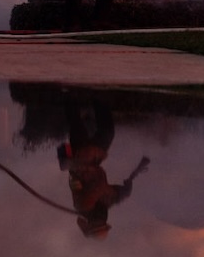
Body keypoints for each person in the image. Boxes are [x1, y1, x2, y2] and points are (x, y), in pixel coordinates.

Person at [58, 102, 149, 239]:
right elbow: (117, 195)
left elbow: (75, 181)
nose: (102, 220)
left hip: (81, 157)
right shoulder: (104, 202)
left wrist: (77, 166)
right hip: (95, 157)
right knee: (107, 131)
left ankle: (69, 96)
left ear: (92, 223)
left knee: (76, 124)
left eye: (99, 223)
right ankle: (99, 99)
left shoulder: (82, 203)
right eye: (103, 223)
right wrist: (126, 189)